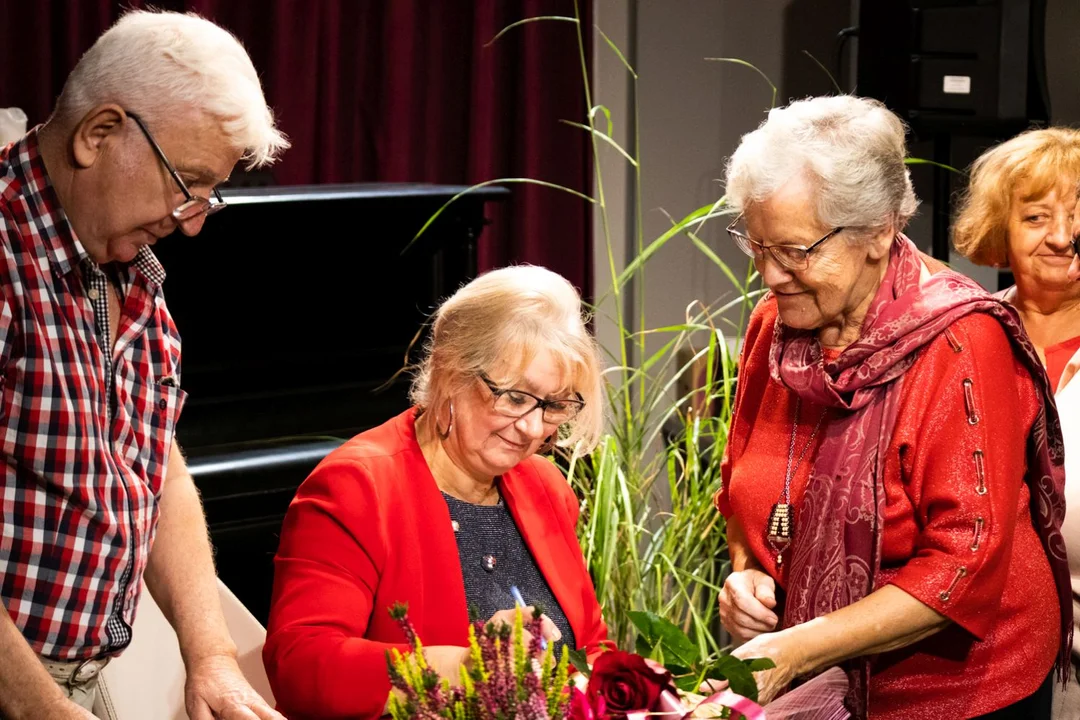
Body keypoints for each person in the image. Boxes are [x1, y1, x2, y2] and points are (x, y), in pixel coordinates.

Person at [712, 95, 1071, 719]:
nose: (769, 275)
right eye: (756, 245)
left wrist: (797, 649)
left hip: (957, 694)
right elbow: (745, 485)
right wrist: (746, 573)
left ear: (879, 230)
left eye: (796, 251)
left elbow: (964, 562)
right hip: (814, 678)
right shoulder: (775, 326)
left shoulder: (960, 342)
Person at [0, 10, 289, 719]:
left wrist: (212, 658)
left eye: (207, 192)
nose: (192, 219)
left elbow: (151, 462)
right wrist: (40, 707)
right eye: (185, 181)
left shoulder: (130, 274)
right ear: (100, 134)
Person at [262, 265, 611, 719]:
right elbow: (303, 666)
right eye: (515, 397)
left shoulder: (545, 487)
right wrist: (465, 664)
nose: (532, 428)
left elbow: (591, 647)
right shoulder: (356, 487)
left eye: (554, 405)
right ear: (451, 371)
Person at [952, 127, 1080, 392]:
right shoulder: (964, 331)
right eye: (1036, 217)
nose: (1059, 238)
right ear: (998, 228)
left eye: (1074, 217)